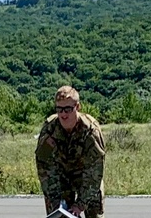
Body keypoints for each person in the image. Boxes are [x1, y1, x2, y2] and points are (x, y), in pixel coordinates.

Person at [35, 85, 106, 218]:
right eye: (59, 109)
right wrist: (55, 201)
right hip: (60, 177)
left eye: (68, 109)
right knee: (58, 215)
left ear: (77, 107)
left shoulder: (91, 131)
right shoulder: (49, 129)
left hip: (85, 176)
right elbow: (45, 168)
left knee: (94, 209)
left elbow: (95, 173)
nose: (63, 114)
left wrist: (80, 205)